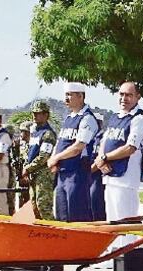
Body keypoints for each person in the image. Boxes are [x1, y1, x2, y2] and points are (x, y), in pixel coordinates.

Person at [93, 81, 143, 223]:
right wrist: (101, 161)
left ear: (138, 97)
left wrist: (106, 158)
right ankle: (115, 246)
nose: (124, 98)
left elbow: (130, 148)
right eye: (121, 94)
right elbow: (104, 142)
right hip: (110, 177)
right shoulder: (115, 117)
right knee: (112, 221)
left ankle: (128, 246)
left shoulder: (139, 119)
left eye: (129, 95)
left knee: (125, 221)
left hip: (126, 180)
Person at [47, 82, 98, 222]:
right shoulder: (69, 118)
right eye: (66, 95)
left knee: (77, 214)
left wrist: (56, 157)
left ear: (80, 96)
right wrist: (54, 160)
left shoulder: (87, 118)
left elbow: (77, 147)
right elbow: (60, 142)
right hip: (62, 173)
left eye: (70, 95)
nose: (66, 99)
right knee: (62, 214)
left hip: (77, 173)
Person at [23, 100, 57, 219]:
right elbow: (30, 153)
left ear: (46, 115)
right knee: (34, 208)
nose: (35, 116)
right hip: (33, 174)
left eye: (38, 113)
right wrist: (27, 168)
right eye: (34, 113)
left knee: (44, 207)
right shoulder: (34, 132)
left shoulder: (48, 134)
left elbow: (44, 156)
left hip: (44, 175)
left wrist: (27, 168)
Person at [89, 113, 107, 221]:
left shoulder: (102, 137)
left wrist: (89, 170)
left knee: (95, 201)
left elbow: (100, 159)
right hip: (87, 176)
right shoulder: (89, 137)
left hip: (97, 176)